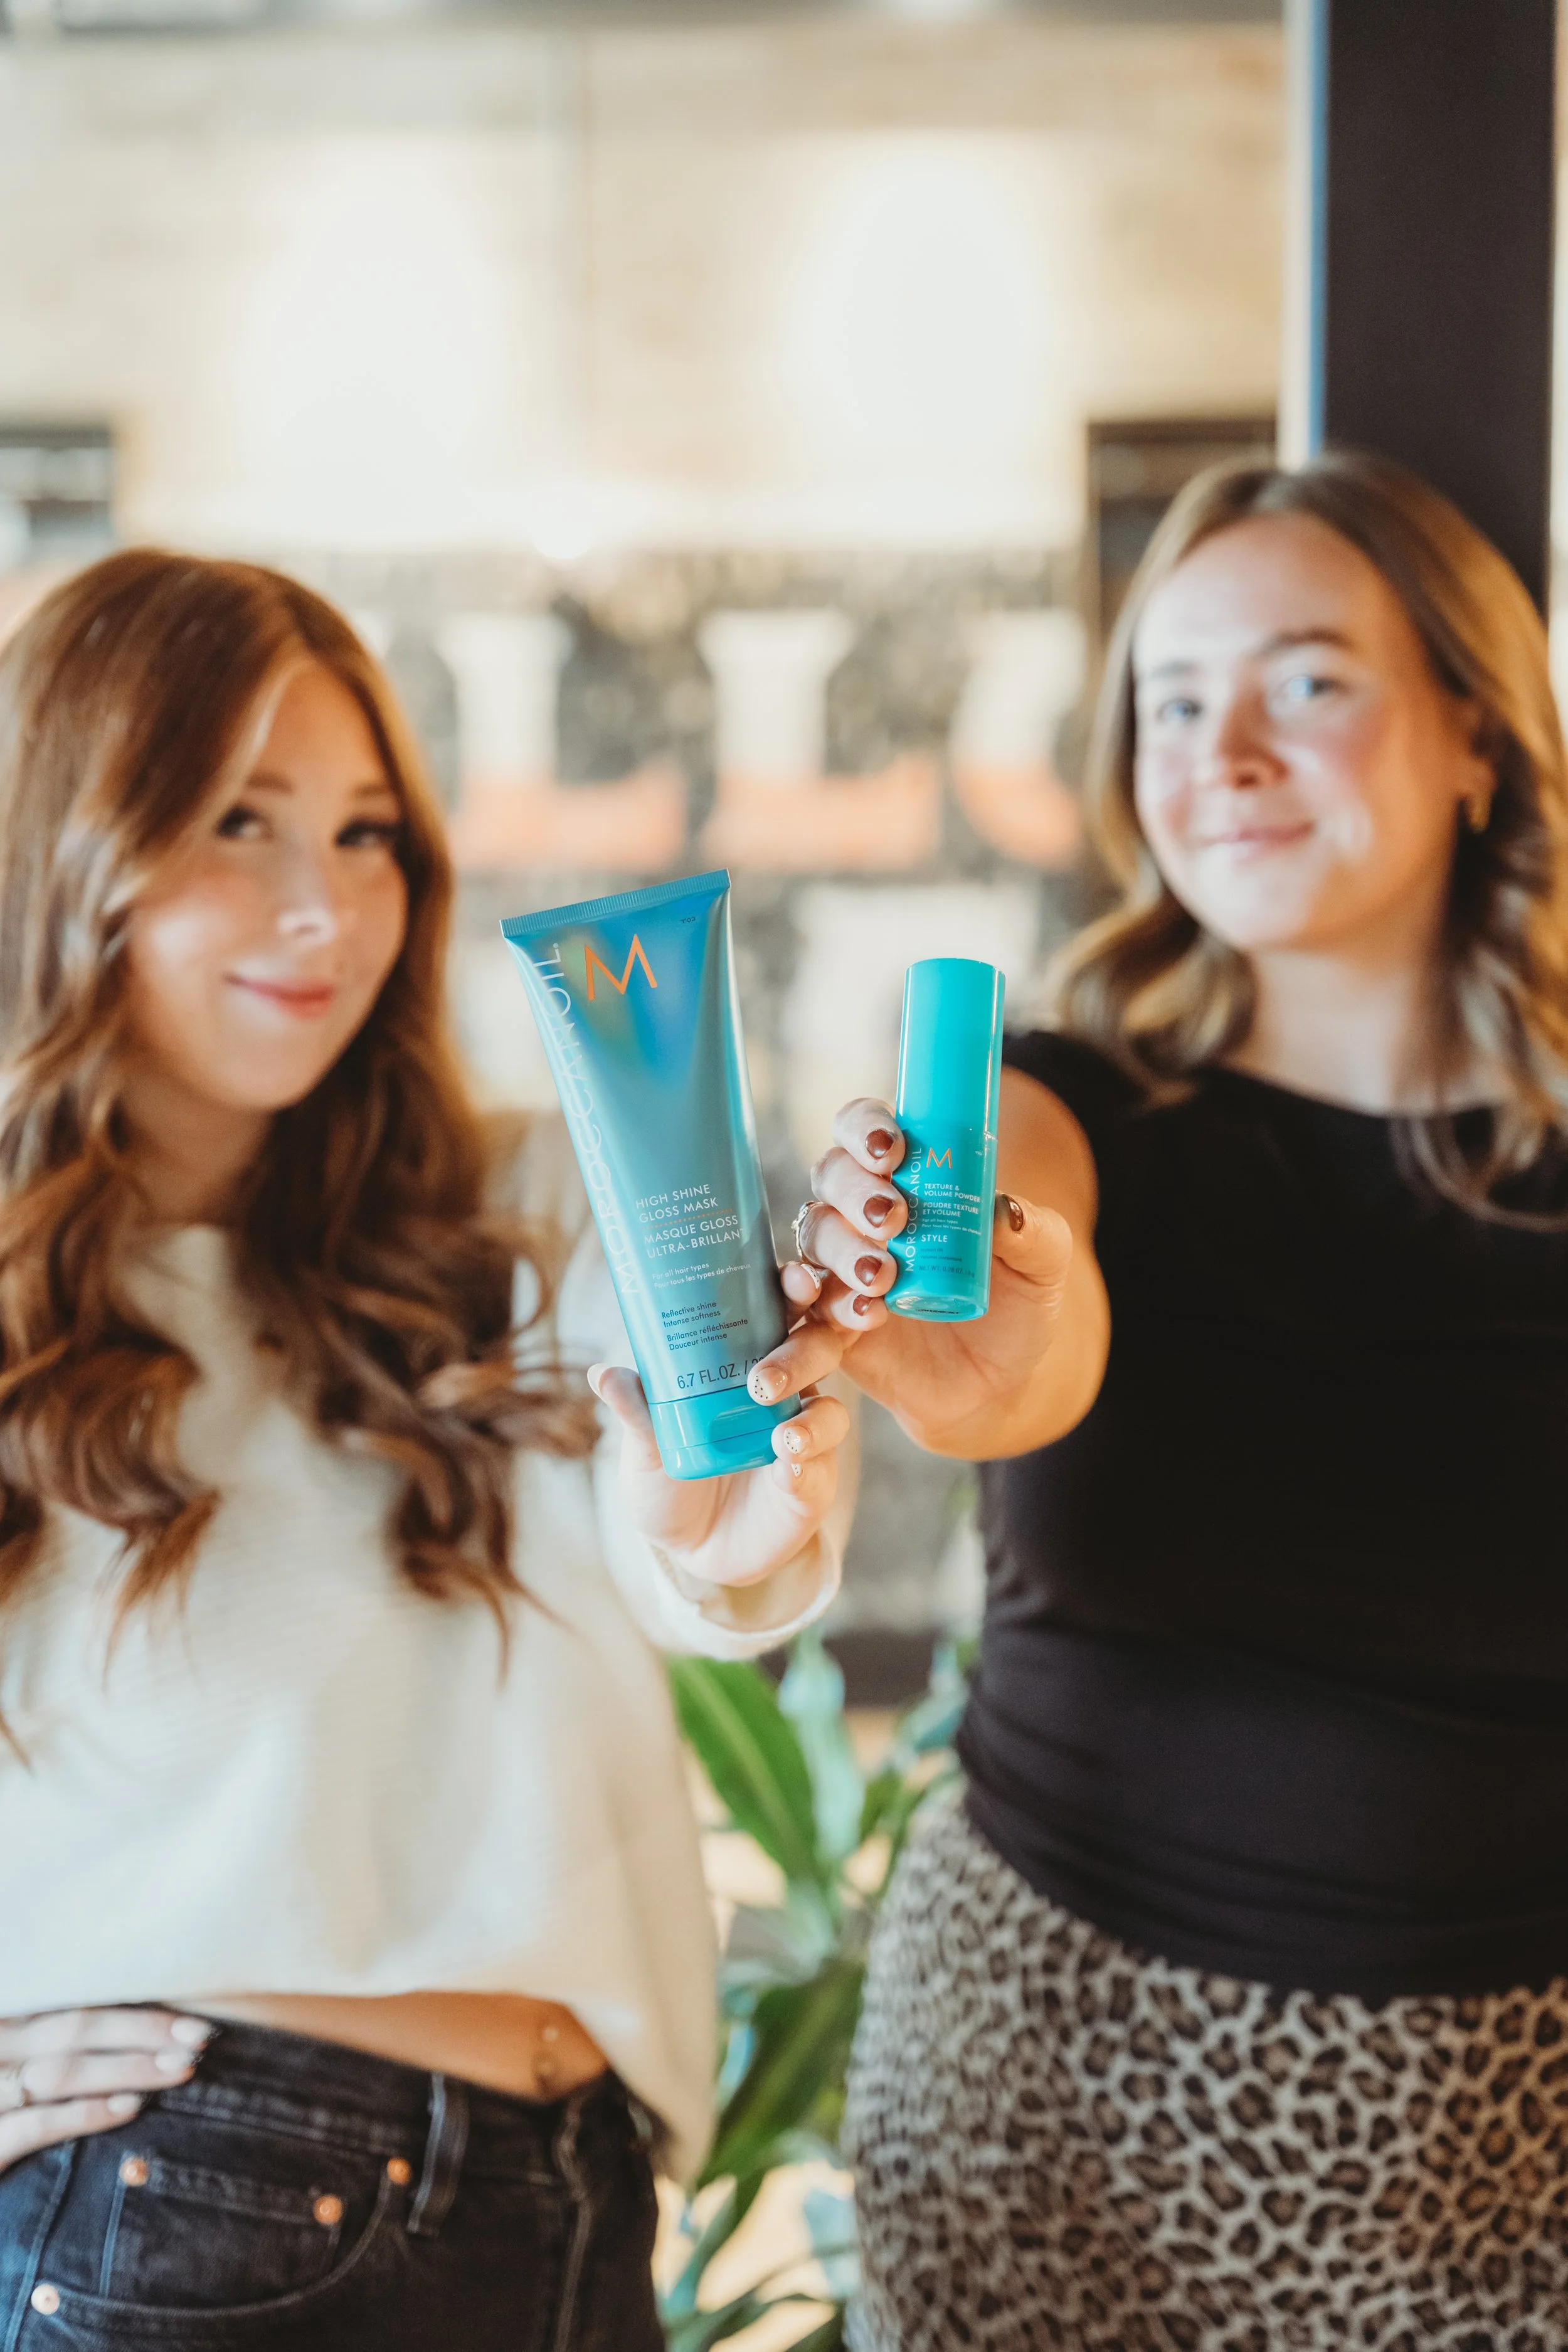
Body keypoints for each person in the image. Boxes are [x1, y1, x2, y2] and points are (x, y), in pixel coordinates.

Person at [0, 548, 852, 2350]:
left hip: (568, 2204)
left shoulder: (532, 1197)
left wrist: (732, 1528)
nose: (324, 907)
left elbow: (688, 1544)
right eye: (240, 820)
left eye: (369, 832)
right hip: (183, 2205)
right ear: (68, 836)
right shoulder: (27, 1306)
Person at [770, 451, 1568, 2349]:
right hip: (1057, 2093)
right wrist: (975, 1344)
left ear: (1473, 736)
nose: (1220, 750)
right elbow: (1022, 1337)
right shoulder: (1066, 1099)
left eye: (1304, 680)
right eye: (1175, 700)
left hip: (1513, 2137)